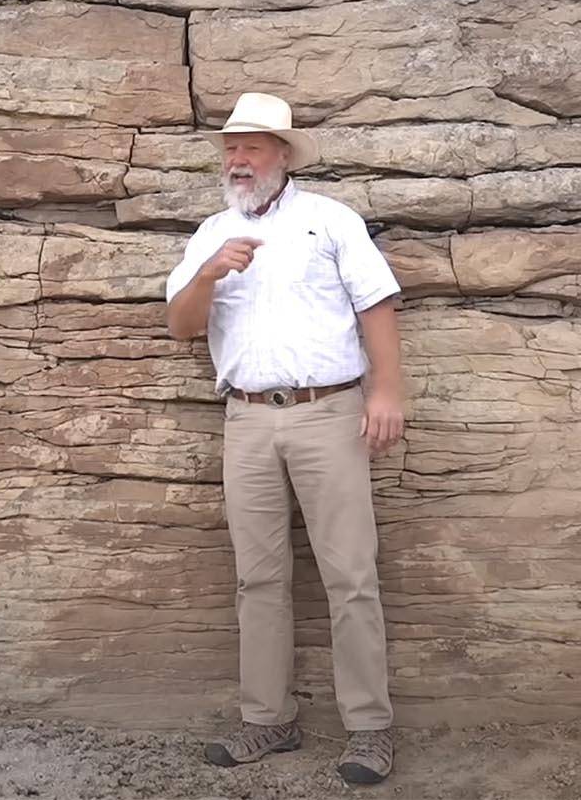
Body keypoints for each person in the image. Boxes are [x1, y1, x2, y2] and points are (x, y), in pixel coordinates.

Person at [164, 92, 406, 785]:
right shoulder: (211, 233)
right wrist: (209, 275)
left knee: (350, 574)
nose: (238, 160)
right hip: (245, 419)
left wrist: (386, 393)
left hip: (327, 412)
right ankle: (267, 721)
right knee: (257, 576)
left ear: (283, 156)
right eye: (231, 150)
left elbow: (376, 305)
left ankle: (368, 729)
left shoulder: (329, 221)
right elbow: (181, 325)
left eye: (252, 148)